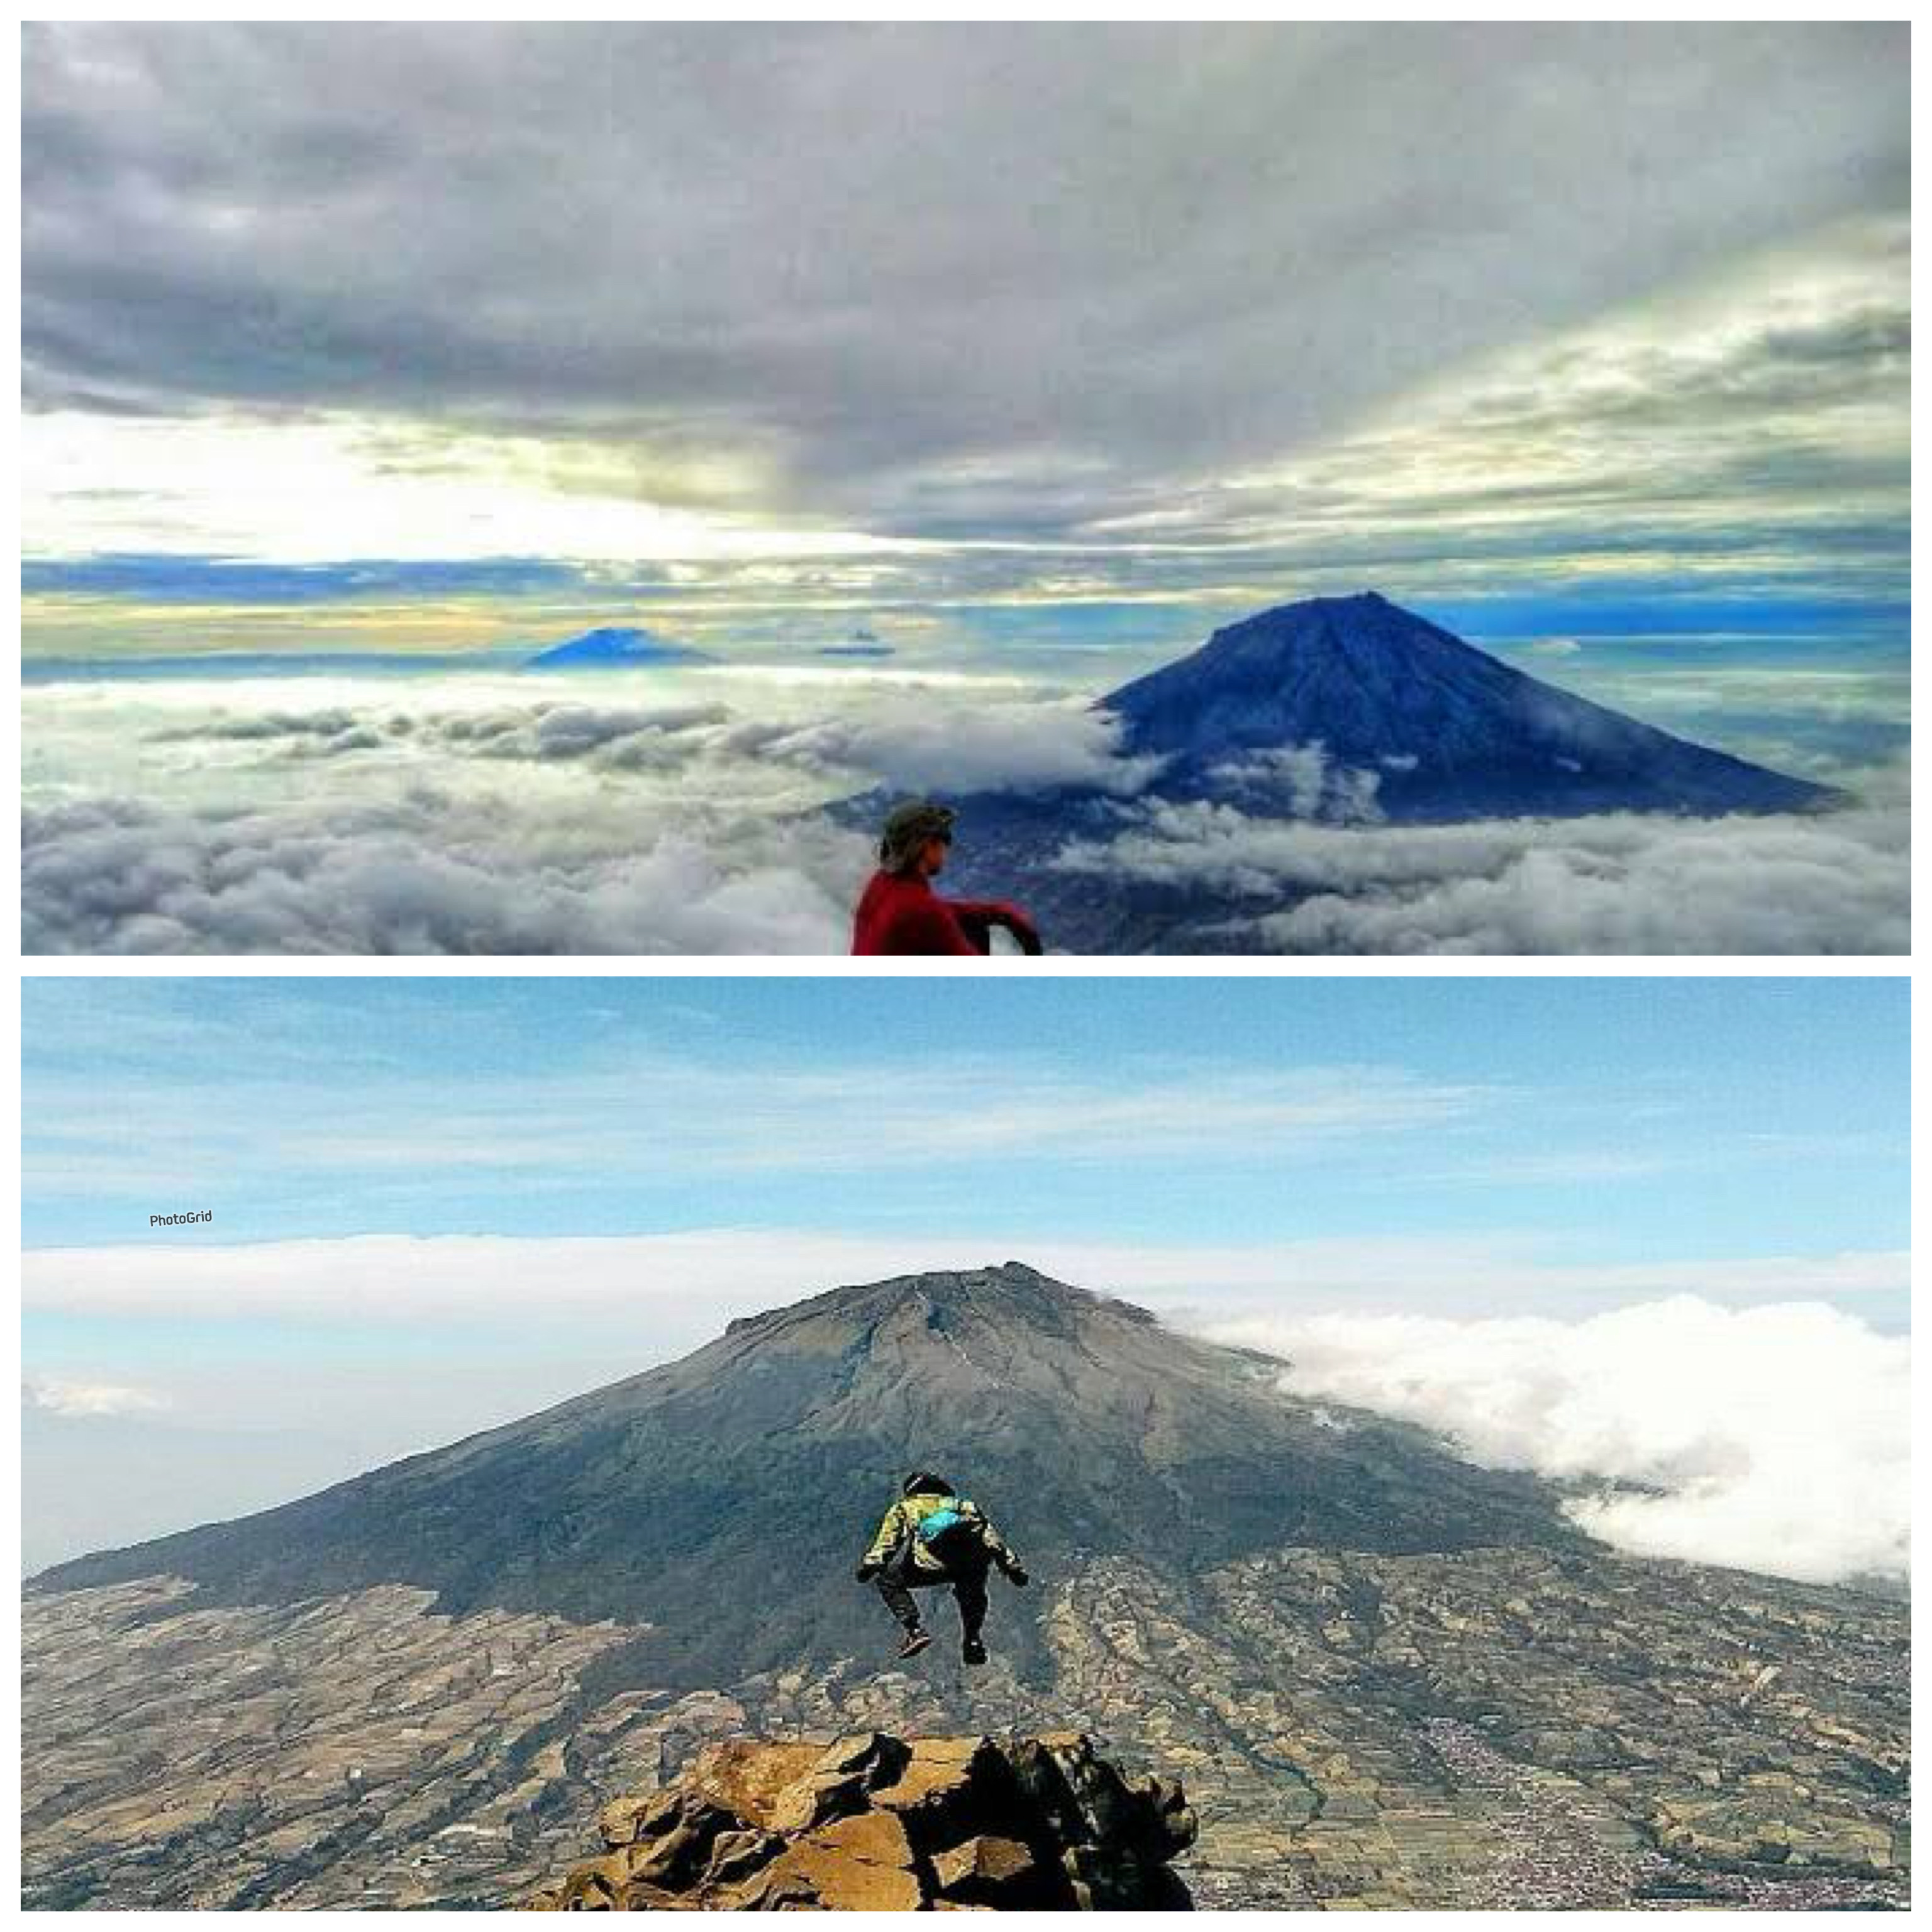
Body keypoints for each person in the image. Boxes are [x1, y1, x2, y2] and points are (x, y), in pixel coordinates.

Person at [855, 1470, 1029, 1663]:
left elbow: (888, 1543)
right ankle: (973, 1640)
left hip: (932, 1563)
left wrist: (871, 1565)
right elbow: (992, 1540)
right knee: (972, 1594)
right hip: (972, 1563)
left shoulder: (905, 1507)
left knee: (888, 1579)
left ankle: (915, 1631)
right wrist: (1013, 1569)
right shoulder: (964, 1506)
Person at [850, 801, 1042, 956]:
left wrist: (997, 911)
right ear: (926, 846)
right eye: (946, 838)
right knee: (975, 931)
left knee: (972, 924)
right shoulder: (921, 909)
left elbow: (933, 911)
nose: (947, 848)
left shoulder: (882, 882)